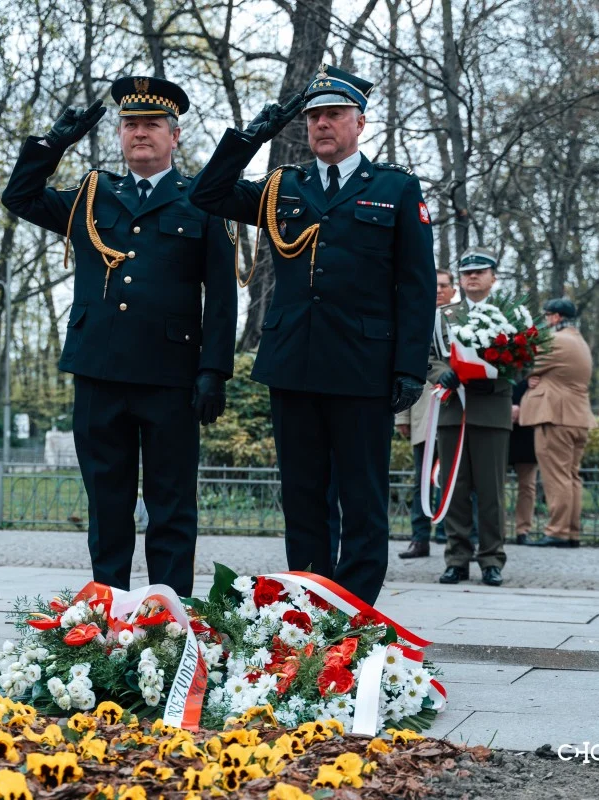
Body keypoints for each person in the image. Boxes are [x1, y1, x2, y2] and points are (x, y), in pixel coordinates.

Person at [189, 64, 436, 605]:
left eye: (334, 115)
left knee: (363, 498)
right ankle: (308, 602)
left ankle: (354, 610)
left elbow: (416, 286)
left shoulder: (394, 188)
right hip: (293, 364)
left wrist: (409, 367)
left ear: (359, 123)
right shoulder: (285, 186)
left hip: (363, 367)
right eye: (314, 116)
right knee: (303, 497)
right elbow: (208, 193)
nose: (322, 124)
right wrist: (250, 138)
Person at [1, 76, 238, 596]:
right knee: (107, 503)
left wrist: (214, 370)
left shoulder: (202, 200)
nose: (140, 133)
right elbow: (19, 197)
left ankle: (167, 616)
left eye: (152, 124)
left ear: (175, 135)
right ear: (119, 133)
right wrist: (53, 144)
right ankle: (107, 612)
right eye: (130, 124)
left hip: (171, 378)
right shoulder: (93, 195)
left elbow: (222, 297)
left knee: (171, 504)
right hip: (99, 372)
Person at [429, 247, 512, 587]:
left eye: (480, 271)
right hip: (453, 409)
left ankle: (491, 560)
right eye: (467, 272)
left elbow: (527, 358)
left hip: (491, 410)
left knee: (491, 493)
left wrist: (496, 372)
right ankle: (456, 560)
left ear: (493, 277)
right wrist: (442, 374)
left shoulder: (510, 315)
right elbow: (427, 356)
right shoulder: (443, 316)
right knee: (455, 490)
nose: (473, 276)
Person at [521, 298, 597, 547]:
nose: (545, 321)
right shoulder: (580, 341)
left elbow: (525, 363)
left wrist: (533, 378)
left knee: (557, 477)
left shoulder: (556, 340)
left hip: (556, 417)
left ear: (555, 317)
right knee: (571, 477)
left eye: (546, 316)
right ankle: (571, 532)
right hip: (578, 417)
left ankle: (557, 531)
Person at [397, 268, 455, 558]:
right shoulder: (416, 319)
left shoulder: (462, 322)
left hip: (455, 410)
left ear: (453, 290)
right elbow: (403, 366)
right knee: (422, 478)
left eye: (445, 285)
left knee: (455, 477)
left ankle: (450, 533)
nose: (439, 290)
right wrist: (402, 416)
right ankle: (420, 538)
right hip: (424, 413)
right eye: (436, 285)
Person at [509, 380, 537, 545]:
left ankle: (523, 530)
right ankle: (496, 530)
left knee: (527, 486)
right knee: (493, 486)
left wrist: (523, 407)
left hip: (527, 430)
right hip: (500, 426)